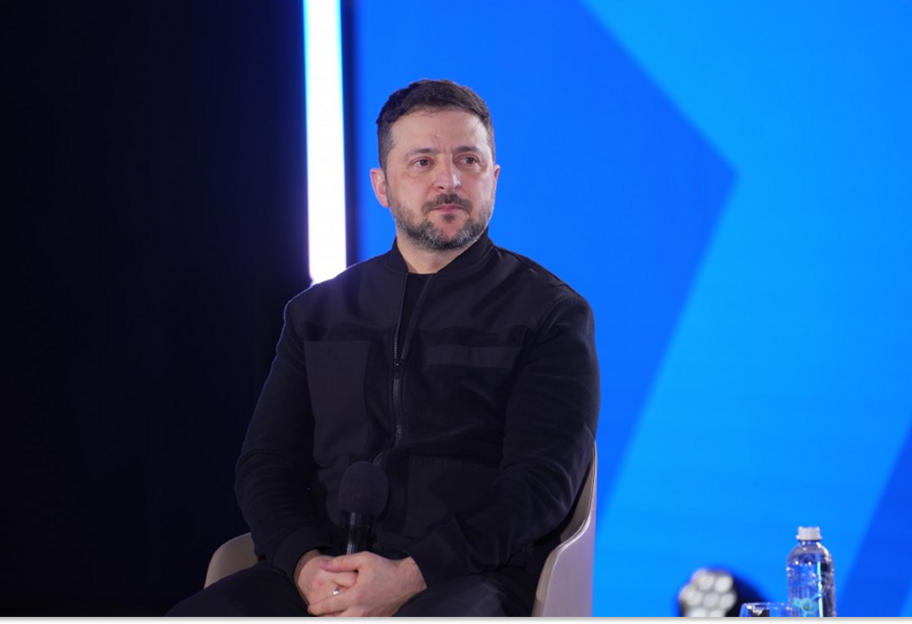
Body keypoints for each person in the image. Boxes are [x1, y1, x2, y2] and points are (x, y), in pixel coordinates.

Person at [168, 78, 600, 618]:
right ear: (382, 186)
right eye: (422, 162)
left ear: (493, 178)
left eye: (468, 160)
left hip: (469, 577)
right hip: (322, 572)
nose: (449, 180)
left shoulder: (551, 313)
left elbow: (541, 486)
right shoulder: (316, 314)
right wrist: (306, 565)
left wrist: (412, 574)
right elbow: (265, 466)